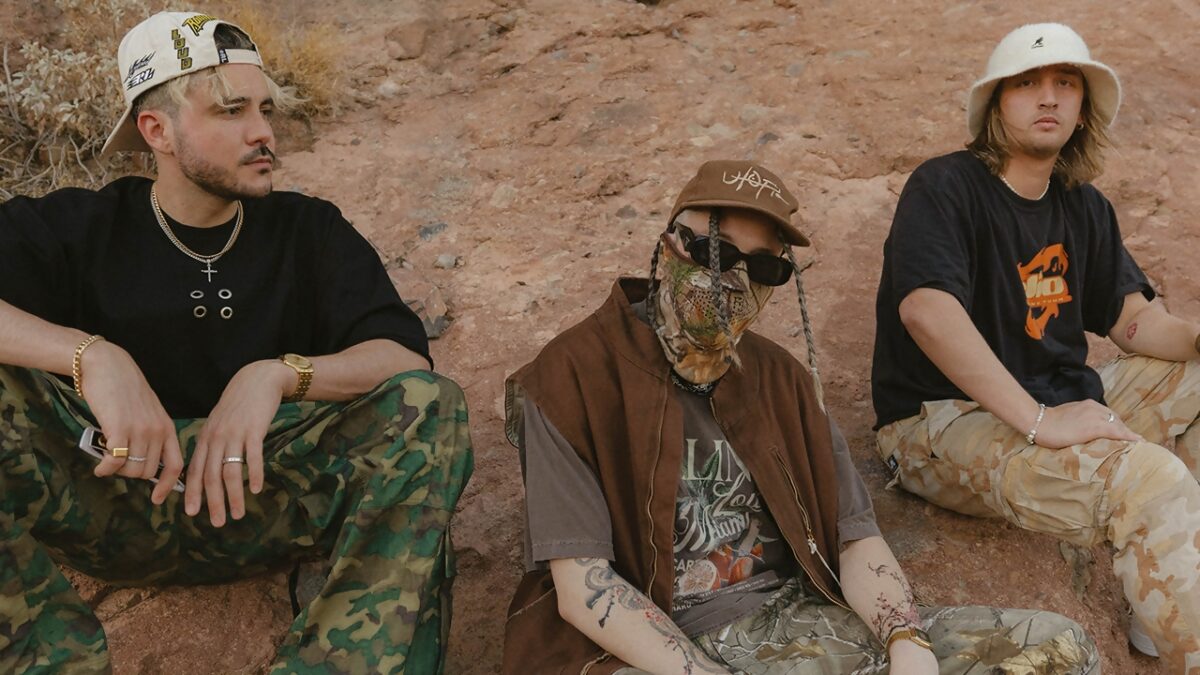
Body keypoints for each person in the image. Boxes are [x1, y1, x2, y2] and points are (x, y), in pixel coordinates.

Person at [0, 11, 473, 674]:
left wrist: (277, 375)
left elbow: (404, 360)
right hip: (101, 498)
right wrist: (90, 356)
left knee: (431, 406)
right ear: (157, 130)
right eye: (231, 111)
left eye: (265, 109)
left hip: (265, 496)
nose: (263, 133)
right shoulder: (78, 227)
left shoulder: (308, 231)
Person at [502, 160, 1098, 674]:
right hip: (649, 648)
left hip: (797, 626)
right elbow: (583, 587)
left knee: (1059, 647)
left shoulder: (779, 378)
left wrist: (908, 645)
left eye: (764, 268)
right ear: (670, 246)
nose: (736, 282)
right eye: (716, 252)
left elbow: (854, 539)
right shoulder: (570, 375)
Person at [872, 21, 1200, 671]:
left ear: (1082, 108)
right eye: (1026, 83)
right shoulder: (945, 186)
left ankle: (1162, 586)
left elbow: (1132, 320)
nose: (1048, 97)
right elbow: (926, 311)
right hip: (939, 422)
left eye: (1065, 83)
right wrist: (1040, 420)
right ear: (996, 103)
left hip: (1050, 406)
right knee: (1152, 477)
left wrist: (1196, 336)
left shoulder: (1084, 206)